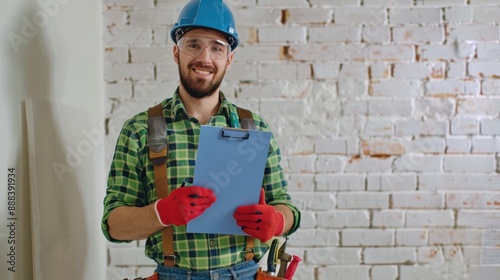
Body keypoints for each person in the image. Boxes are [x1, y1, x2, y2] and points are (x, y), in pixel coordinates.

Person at [101, 0, 301, 279]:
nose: (204, 58)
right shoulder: (140, 130)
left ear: (228, 60)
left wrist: (277, 220)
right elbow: (114, 226)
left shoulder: (254, 128)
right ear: (176, 52)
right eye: (193, 44)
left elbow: (287, 208)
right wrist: (163, 211)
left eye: (217, 47)